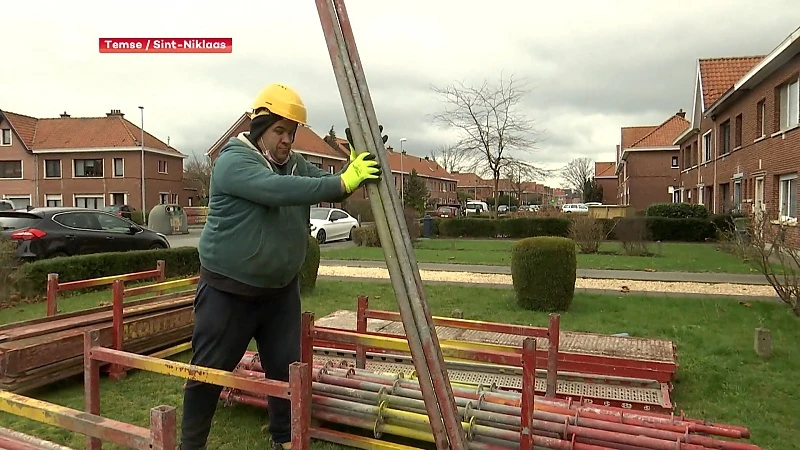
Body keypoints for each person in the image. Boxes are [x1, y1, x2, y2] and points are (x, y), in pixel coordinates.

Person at [179, 83, 384, 450]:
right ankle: (190, 445)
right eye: (279, 131)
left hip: (279, 295)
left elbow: (320, 185)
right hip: (229, 292)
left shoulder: (294, 165)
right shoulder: (233, 161)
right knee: (207, 375)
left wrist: (347, 174)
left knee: (286, 377)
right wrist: (342, 179)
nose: (286, 140)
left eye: (291, 132)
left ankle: (285, 442)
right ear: (259, 128)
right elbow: (276, 190)